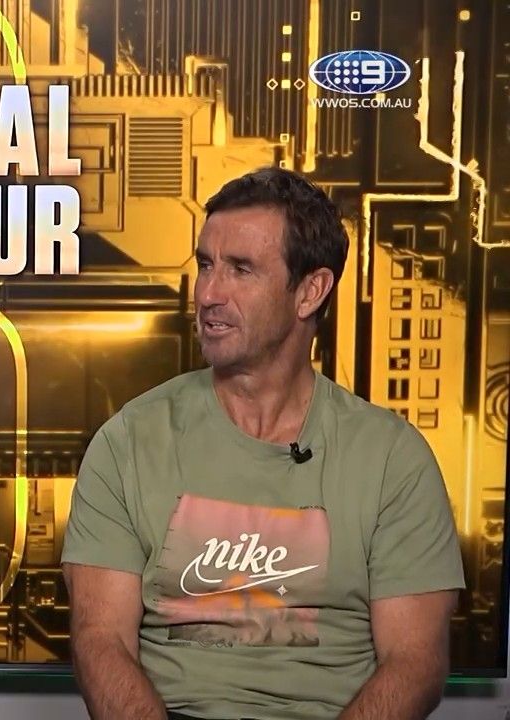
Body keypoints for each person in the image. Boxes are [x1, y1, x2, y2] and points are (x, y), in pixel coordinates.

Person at [60, 167, 465, 720]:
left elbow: (415, 663)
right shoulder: (128, 441)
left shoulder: (394, 459)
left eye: (241, 269)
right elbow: (100, 641)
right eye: (206, 265)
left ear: (310, 291)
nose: (208, 293)